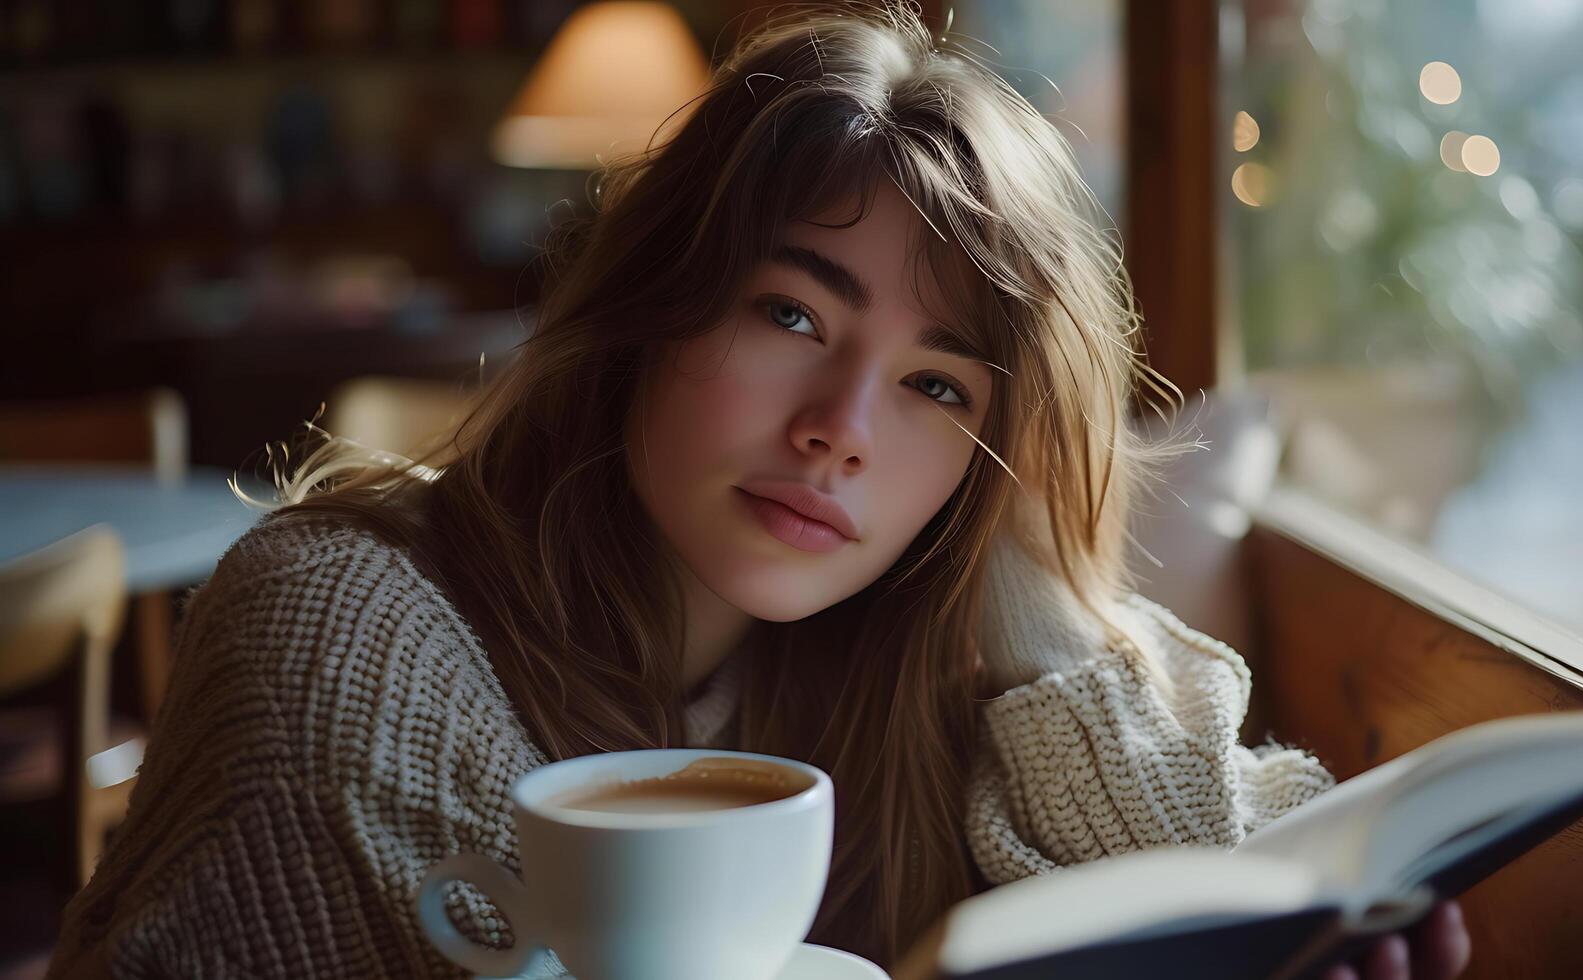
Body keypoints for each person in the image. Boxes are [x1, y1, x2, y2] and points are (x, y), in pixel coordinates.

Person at [46, 3, 1469, 978]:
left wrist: (1023, 571)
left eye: (938, 385)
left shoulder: (915, 672)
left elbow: (1239, 867)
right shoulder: (339, 613)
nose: (841, 430)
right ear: (657, 307)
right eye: (790, 314)